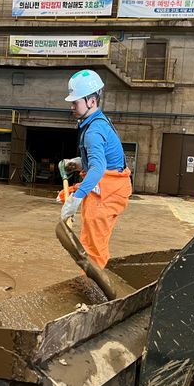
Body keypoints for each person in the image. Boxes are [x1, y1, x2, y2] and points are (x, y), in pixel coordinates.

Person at [59, 69, 132, 270]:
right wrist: (76, 162)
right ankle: (91, 282)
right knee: (91, 240)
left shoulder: (93, 130)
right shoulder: (95, 123)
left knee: (94, 245)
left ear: (91, 100)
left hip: (109, 191)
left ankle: (95, 292)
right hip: (110, 184)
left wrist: (76, 199)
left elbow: (98, 168)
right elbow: (101, 160)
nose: (72, 106)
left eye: (75, 102)